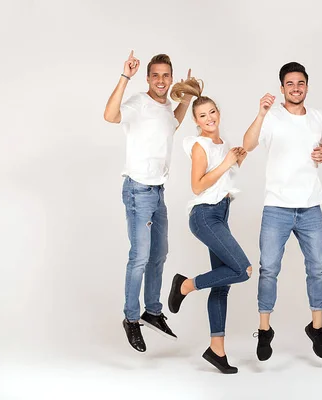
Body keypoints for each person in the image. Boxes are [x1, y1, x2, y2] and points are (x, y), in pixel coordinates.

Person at [243, 62, 322, 361]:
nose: (296, 88)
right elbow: (248, 145)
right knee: (269, 268)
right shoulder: (271, 115)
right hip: (277, 206)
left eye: (301, 83)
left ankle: (317, 327)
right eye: (290, 84)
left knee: (317, 268)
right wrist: (260, 112)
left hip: (311, 206)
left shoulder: (318, 117)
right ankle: (265, 330)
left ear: (307, 86)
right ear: (282, 88)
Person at [104, 51, 192, 352]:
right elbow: (110, 116)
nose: (161, 80)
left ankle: (152, 311)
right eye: (155, 75)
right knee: (139, 257)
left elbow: (173, 123)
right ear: (148, 78)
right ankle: (131, 319)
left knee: (159, 254)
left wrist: (188, 98)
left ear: (171, 77)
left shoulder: (167, 106)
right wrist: (124, 76)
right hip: (137, 190)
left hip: (157, 191)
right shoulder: (139, 103)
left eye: (166, 75)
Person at [167, 76, 250, 374]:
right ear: (196, 121)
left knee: (223, 283)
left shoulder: (222, 142)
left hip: (221, 213)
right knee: (243, 270)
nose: (209, 118)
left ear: (218, 113)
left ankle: (217, 351)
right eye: (202, 116)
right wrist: (227, 163)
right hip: (204, 215)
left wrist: (235, 159)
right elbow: (198, 186)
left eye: (212, 112)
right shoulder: (200, 145)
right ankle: (186, 285)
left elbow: (224, 178)